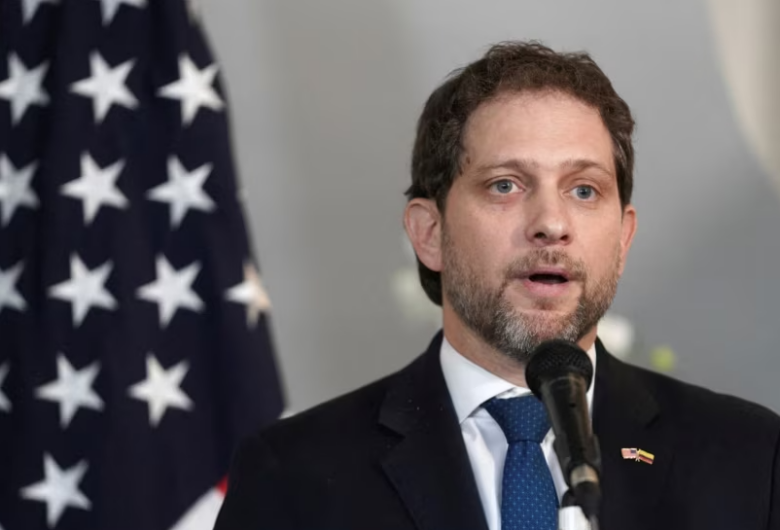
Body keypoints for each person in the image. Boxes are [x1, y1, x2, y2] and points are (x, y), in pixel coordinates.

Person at [213, 41, 780, 530]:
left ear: (623, 238)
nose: (551, 223)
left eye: (584, 190)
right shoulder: (294, 474)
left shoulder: (749, 459)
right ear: (430, 233)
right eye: (506, 185)